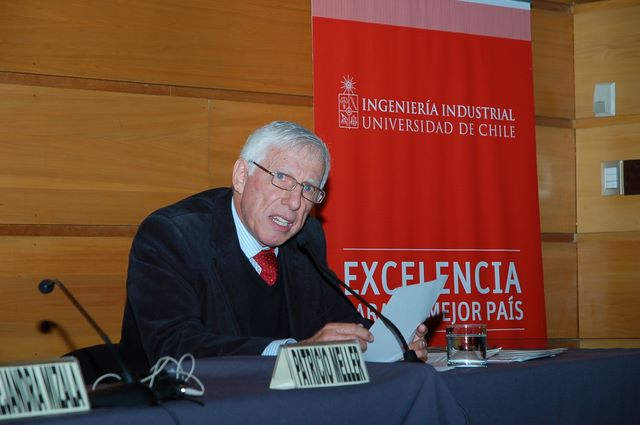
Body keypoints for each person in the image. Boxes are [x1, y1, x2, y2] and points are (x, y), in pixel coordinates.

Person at [119, 121, 428, 369]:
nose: (294, 202)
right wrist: (291, 353)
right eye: (281, 178)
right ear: (241, 176)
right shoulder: (172, 235)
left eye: (309, 189)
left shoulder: (306, 237)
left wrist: (388, 340)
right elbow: (174, 347)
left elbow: (337, 319)